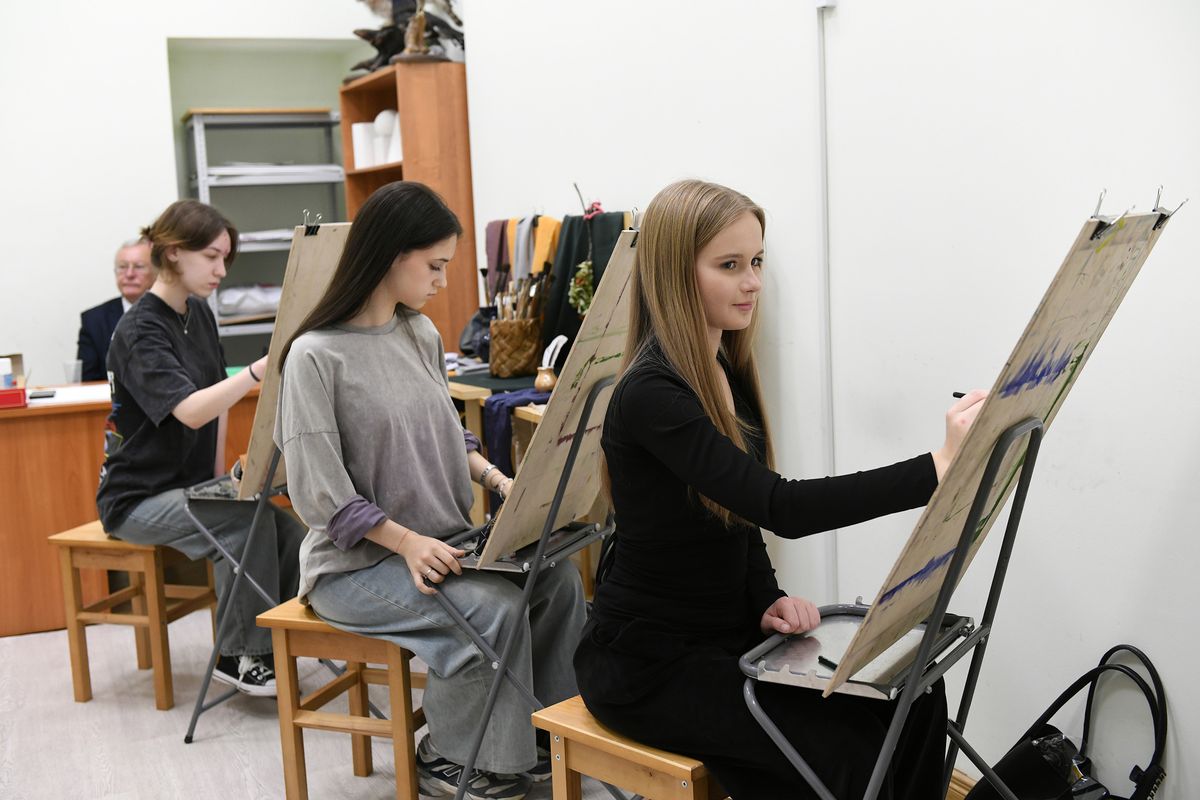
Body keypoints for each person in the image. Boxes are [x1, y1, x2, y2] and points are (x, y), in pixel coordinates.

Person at [574, 179, 986, 800]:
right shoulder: (652, 394)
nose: (753, 282)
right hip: (648, 663)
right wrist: (938, 467)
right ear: (673, 275)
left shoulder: (723, 371)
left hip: (729, 636)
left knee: (915, 694)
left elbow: (737, 516)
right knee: (846, 751)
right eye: (730, 265)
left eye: (758, 262)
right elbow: (779, 506)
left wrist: (766, 595)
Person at [276, 181, 585, 800]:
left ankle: (539, 737)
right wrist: (408, 543)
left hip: (441, 542)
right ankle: (452, 757)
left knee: (557, 581)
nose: (443, 281)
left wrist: (498, 480)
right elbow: (322, 497)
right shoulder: (313, 357)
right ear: (392, 255)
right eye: (435, 265)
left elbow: (446, 431)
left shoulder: (417, 333)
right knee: (490, 611)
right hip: (355, 566)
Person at [96, 200, 305, 697]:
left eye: (224, 258)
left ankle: (281, 638)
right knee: (240, 525)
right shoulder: (139, 329)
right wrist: (256, 371)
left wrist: (220, 482)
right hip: (135, 499)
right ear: (172, 252)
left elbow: (215, 406)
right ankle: (239, 653)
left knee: (287, 530)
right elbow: (190, 410)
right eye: (211, 256)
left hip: (184, 487)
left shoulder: (199, 314)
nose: (221, 270)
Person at [78, 237, 156, 381]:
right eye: (122, 267)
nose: (129, 274)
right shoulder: (94, 320)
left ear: (156, 272)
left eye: (139, 266)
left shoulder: (175, 312)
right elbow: (88, 381)